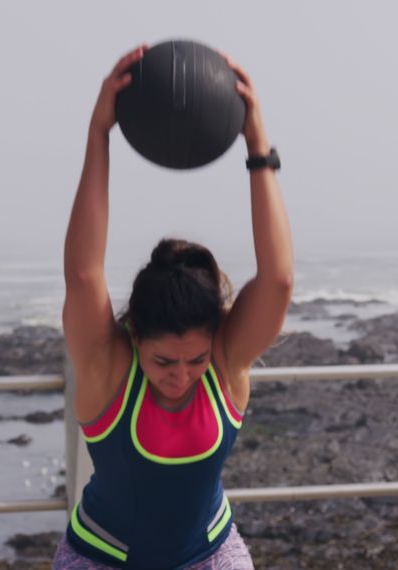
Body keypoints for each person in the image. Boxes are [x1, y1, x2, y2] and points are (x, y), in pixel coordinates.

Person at [53, 44, 294, 569]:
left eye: (195, 359)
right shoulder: (107, 367)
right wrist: (99, 135)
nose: (182, 376)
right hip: (101, 559)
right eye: (165, 361)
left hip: (209, 556)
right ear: (134, 334)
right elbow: (82, 274)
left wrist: (258, 145)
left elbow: (277, 280)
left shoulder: (226, 362)